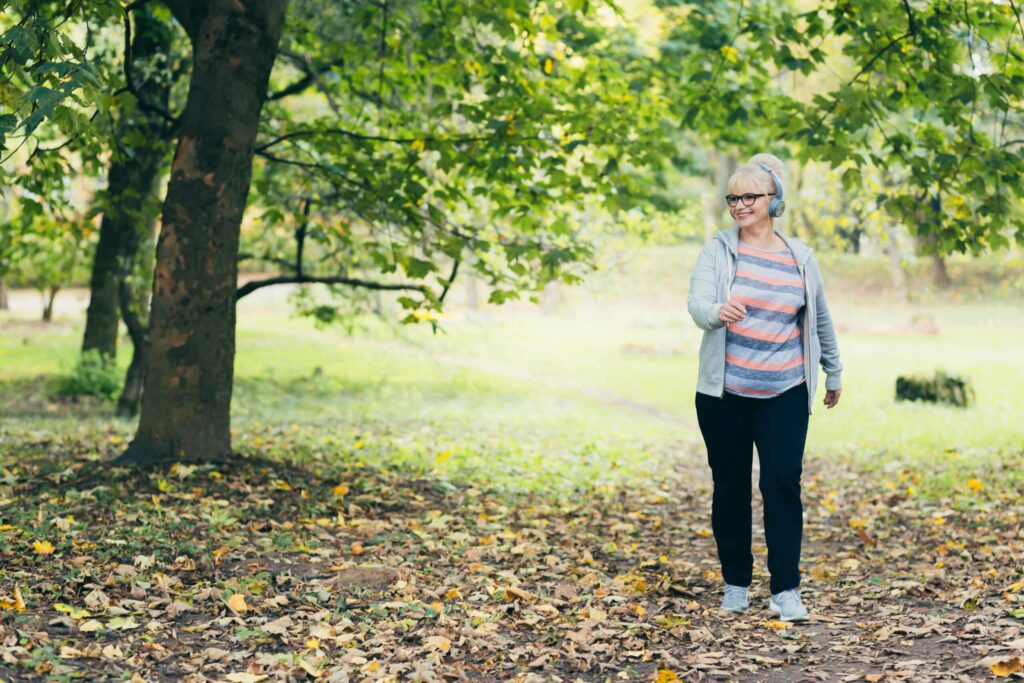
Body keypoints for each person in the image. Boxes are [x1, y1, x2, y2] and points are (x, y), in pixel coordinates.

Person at [686, 153, 843, 622]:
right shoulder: (719, 250)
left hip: (786, 391)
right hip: (725, 396)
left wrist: (833, 370)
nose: (739, 205)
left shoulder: (800, 257)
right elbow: (697, 303)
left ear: (774, 201)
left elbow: (819, 319)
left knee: (781, 486)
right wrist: (718, 312)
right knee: (730, 487)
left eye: (750, 196)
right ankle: (736, 583)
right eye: (733, 197)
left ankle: (786, 590)